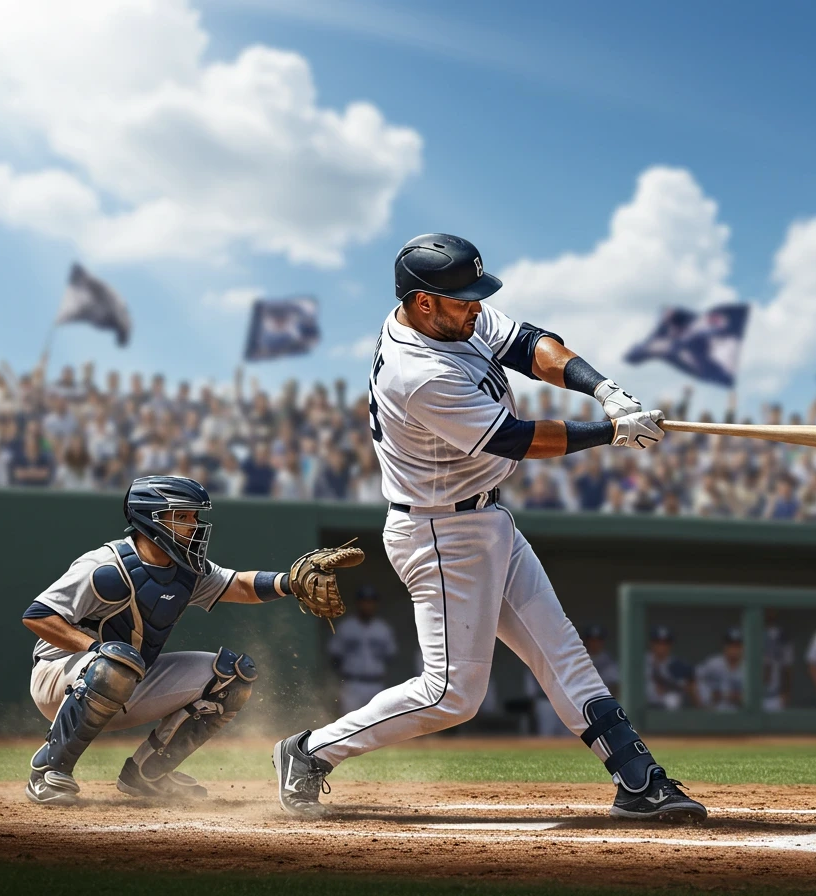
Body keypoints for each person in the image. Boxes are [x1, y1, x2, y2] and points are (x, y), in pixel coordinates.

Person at [273, 234, 705, 823]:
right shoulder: (416, 371)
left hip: (485, 517)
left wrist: (603, 390)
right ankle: (308, 752)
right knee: (451, 695)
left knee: (563, 651)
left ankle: (639, 780)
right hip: (438, 533)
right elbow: (515, 439)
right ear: (423, 302)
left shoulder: (449, 316)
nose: (476, 307)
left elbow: (530, 344)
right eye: (463, 299)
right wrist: (609, 434)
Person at [21, 476, 322, 805]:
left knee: (233, 675)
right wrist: (94, 649)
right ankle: (49, 769)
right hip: (60, 679)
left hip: (129, 676)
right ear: (150, 519)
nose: (193, 526)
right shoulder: (105, 566)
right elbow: (37, 615)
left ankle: (146, 773)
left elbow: (240, 585)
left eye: (194, 517)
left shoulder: (186, 569)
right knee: (115, 662)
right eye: (182, 516)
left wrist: (291, 582)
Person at [328, 585, 398, 714]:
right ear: (358, 603)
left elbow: (390, 656)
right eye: (364, 601)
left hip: (376, 683)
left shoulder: (383, 629)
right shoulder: (346, 627)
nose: (367, 605)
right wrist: (341, 683)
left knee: (378, 722)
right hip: (352, 684)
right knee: (349, 723)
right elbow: (335, 656)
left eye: (371, 601)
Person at [645, 624, 695, 711]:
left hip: (666, 707)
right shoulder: (640, 662)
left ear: (670, 644)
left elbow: (686, 688)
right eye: (658, 642)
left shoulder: (678, 665)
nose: (661, 646)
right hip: (644, 704)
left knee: (672, 699)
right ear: (651, 643)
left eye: (665, 643)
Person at [695, 627, 745, 711]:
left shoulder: (748, 668)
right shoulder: (712, 664)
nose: (734, 649)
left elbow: (754, 698)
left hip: (740, 716)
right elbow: (694, 680)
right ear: (725, 646)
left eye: (737, 645)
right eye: (731, 645)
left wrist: (737, 696)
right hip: (715, 715)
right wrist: (706, 697)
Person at [581, 623, 620, 697]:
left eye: (598, 640)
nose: (595, 644)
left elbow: (615, 687)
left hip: (602, 699)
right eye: (592, 640)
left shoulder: (609, 661)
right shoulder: (580, 658)